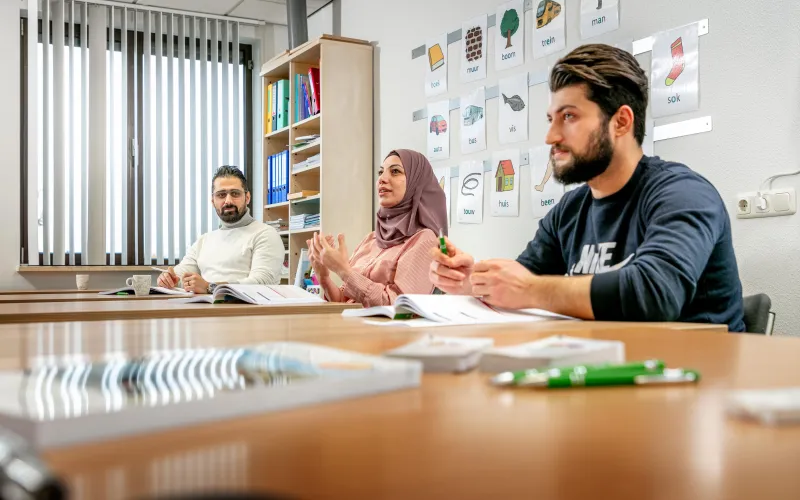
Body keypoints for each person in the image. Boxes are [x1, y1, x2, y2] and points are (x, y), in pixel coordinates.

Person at [430, 44, 745, 332]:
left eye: (569, 116)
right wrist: (474, 281)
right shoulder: (569, 211)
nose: (550, 137)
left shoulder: (684, 193)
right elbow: (524, 281)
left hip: (696, 370)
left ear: (621, 122)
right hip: (603, 363)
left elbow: (654, 293)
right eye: (551, 119)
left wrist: (527, 289)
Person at [307, 149, 447, 307]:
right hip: (353, 323)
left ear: (416, 183)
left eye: (395, 171)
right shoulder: (372, 238)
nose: (382, 179)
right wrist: (324, 277)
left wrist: (343, 271)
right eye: (381, 172)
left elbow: (400, 307)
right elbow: (345, 302)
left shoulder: (425, 240)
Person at [157, 166, 285, 293]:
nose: (228, 201)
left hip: (245, 306)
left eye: (235, 194)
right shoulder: (204, 240)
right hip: (204, 305)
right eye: (221, 195)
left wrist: (210, 287)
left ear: (247, 197)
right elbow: (181, 276)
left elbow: (262, 282)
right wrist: (168, 279)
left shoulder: (265, 234)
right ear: (213, 201)